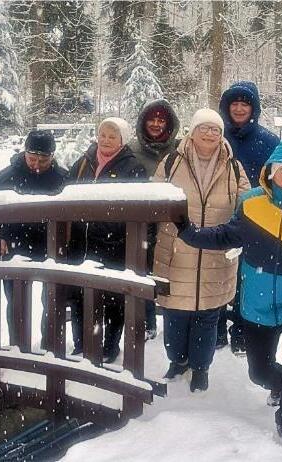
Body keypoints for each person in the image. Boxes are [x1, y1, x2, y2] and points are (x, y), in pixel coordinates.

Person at [174, 139, 282, 448]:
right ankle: (280, 384)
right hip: (257, 305)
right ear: (271, 172)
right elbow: (228, 234)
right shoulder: (251, 203)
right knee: (259, 372)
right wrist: (189, 232)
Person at [151, 108, 250, 392]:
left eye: (215, 129)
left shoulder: (234, 167)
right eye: (203, 128)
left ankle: (201, 367)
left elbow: (246, 206)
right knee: (174, 314)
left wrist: (231, 234)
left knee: (207, 317)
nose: (209, 134)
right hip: (175, 251)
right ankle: (178, 361)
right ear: (192, 132)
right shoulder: (171, 162)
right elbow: (153, 200)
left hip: (215, 253)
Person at [66, 117, 146, 362]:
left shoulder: (132, 168)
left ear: (122, 140)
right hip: (81, 243)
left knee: (113, 299)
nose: (106, 140)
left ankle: (110, 346)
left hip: (114, 245)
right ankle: (81, 344)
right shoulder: (83, 163)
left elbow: (138, 208)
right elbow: (65, 193)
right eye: (103, 135)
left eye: (113, 136)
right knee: (80, 296)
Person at [217, 81, 281, 353]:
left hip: (257, 219)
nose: (240, 109)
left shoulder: (268, 141)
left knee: (248, 274)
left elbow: (278, 178)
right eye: (235, 104)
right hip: (218, 216)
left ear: (253, 109)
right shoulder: (215, 136)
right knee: (218, 271)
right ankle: (216, 327)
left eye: (245, 104)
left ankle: (241, 329)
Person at [0, 130, 67, 346]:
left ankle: (49, 346)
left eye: (43, 160)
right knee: (16, 301)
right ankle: (18, 345)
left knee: (52, 299)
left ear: (52, 157)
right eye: (32, 159)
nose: (36, 165)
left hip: (50, 246)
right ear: (24, 153)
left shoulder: (62, 178)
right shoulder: (6, 177)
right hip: (15, 245)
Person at [127, 99, 182, 340]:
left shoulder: (179, 151)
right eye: (152, 119)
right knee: (141, 272)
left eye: (162, 120)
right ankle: (145, 322)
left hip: (172, 223)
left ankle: (174, 323)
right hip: (140, 222)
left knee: (173, 272)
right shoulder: (130, 150)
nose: (156, 124)